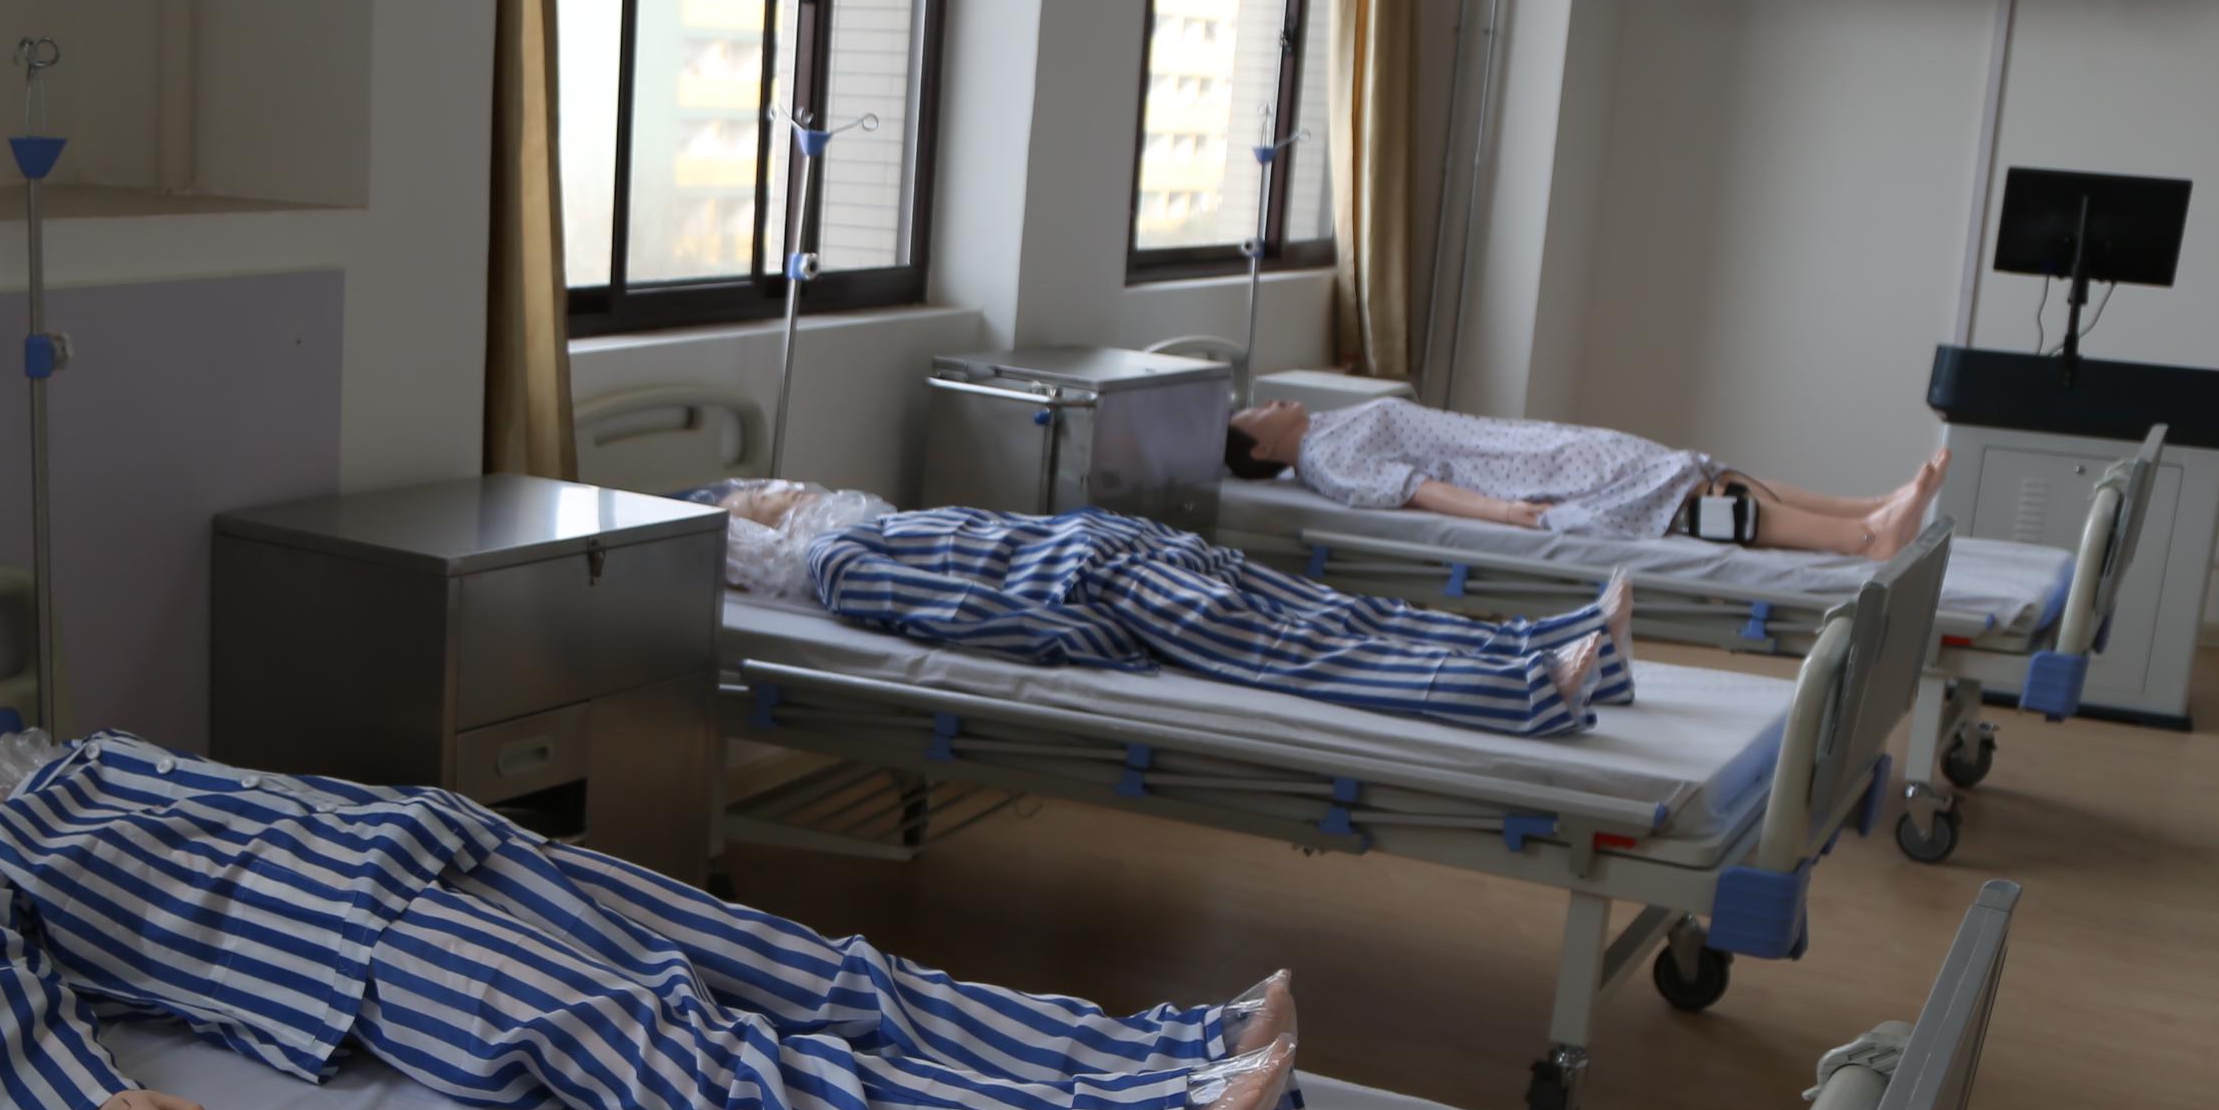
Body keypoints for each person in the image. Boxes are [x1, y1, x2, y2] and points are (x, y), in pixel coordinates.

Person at [0, 725, 1312, 1110]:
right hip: (373, 955)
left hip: (451, 849)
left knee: (800, 963)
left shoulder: (67, 765)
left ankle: (1163, 1058)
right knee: (714, 1056)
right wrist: (91, 1106)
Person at [702, 480, 1635, 739]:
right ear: (755, 529)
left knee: (1343, 611)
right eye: (762, 490)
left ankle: (1559, 640)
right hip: (1106, 584)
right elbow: (967, 616)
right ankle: (1522, 692)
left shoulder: (886, 520)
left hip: (1139, 547)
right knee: (1300, 648)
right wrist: (1090, 633)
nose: (788, 482)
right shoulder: (836, 560)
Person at [1223, 399, 1945, 560]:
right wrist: (1506, 513)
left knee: (1694, 467)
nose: (1270, 400)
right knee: (1688, 497)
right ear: (1261, 446)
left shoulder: (1328, 424)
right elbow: (1413, 488)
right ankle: (1862, 540)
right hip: (1514, 472)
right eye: (1256, 410)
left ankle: (1870, 506)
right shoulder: (1326, 461)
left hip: (1529, 445)